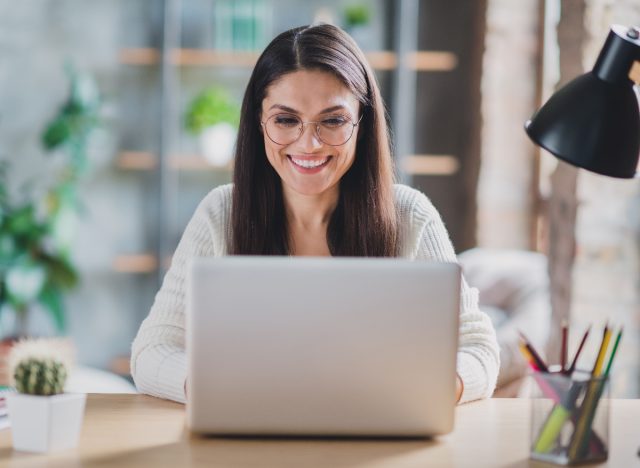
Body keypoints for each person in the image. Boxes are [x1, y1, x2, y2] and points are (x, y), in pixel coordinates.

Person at [131, 23, 499, 405]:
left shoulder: (410, 215)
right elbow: (151, 351)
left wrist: (425, 389)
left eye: (333, 120)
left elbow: (478, 350)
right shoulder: (220, 212)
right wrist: (215, 389)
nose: (309, 143)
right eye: (286, 120)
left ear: (362, 123)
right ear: (259, 123)